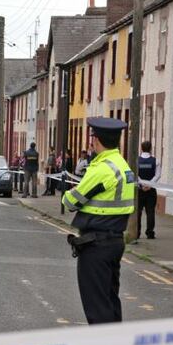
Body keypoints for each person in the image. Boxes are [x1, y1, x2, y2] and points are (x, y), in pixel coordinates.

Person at [62, 117, 135, 325]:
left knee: (96, 305)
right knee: (110, 299)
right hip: (115, 240)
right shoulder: (122, 165)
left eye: (92, 137)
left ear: (96, 140)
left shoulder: (101, 169)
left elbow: (71, 201)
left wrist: (71, 193)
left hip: (96, 244)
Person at [136, 141, 161, 240]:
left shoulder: (136, 160)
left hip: (139, 189)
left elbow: (135, 174)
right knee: (150, 211)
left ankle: (137, 232)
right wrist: (149, 184)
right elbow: (158, 175)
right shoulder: (156, 161)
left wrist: (142, 183)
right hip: (151, 190)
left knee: (138, 212)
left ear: (141, 148)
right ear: (150, 148)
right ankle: (150, 233)